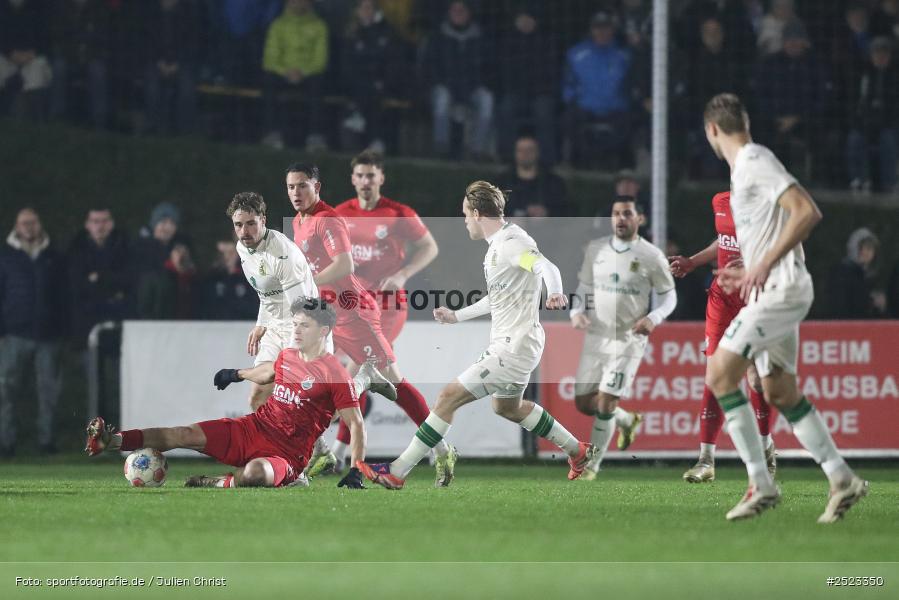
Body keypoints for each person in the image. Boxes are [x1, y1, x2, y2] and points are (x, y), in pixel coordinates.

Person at [357, 181, 597, 489]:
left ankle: (397, 471)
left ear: (477, 213)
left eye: (465, 215)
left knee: (447, 397)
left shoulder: (512, 243)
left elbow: (545, 267)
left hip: (514, 346)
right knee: (507, 407)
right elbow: (495, 299)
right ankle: (578, 451)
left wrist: (555, 292)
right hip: (518, 344)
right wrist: (456, 316)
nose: (465, 221)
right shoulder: (498, 246)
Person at [703, 93, 867, 522]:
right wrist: (749, 268)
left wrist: (763, 265)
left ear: (712, 130)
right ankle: (842, 478)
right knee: (779, 390)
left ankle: (761, 482)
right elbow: (776, 228)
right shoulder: (744, 169)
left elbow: (806, 212)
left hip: (782, 289)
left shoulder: (754, 161)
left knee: (719, 373)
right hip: (770, 289)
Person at [85, 298, 371, 489]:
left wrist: (356, 470)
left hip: (287, 455)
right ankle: (113, 441)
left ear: (323, 331)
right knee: (183, 433)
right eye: (294, 323)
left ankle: (217, 482)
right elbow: (268, 372)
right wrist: (235, 374)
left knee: (256, 473)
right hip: (252, 429)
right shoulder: (289, 355)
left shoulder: (335, 373)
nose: (296, 330)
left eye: (304, 325)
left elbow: (356, 424)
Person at [288, 163, 456, 485]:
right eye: (291, 187)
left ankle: (441, 450)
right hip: (329, 314)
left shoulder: (330, 218)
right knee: (315, 379)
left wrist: (306, 284)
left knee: (390, 383)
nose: (296, 192)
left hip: (358, 313)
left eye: (302, 186)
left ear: (317, 187)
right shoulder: (300, 221)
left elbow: (344, 265)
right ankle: (324, 452)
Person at [332, 151, 439, 469]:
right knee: (375, 377)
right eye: (360, 175)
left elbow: (430, 247)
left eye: (371, 175)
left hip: (389, 307)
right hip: (354, 307)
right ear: (353, 179)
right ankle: (437, 443)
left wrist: (403, 274)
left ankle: (337, 454)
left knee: (355, 370)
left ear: (381, 178)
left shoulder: (398, 213)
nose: (365, 181)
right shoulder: (339, 214)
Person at [668, 191, 776, 483]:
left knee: (756, 378)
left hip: (755, 295)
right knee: (715, 375)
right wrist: (693, 262)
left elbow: (782, 252)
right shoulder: (720, 201)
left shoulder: (770, 203)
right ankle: (706, 460)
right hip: (722, 296)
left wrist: (750, 268)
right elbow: (724, 241)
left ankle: (765, 446)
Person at [569, 196, 676, 480]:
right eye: (616, 213)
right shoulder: (596, 249)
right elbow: (584, 286)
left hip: (628, 338)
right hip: (596, 335)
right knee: (583, 403)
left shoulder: (652, 255)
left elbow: (669, 296)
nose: (620, 219)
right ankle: (627, 420)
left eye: (627, 213)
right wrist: (576, 312)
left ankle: (591, 466)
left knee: (606, 402)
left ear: (640, 218)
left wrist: (654, 318)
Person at [0, 208, 67, 456]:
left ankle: (46, 442)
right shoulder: (5, 256)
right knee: (6, 392)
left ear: (40, 224)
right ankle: (6, 443)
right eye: (24, 222)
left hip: (48, 336)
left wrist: (62, 330)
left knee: (48, 392)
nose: (29, 226)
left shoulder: (53, 256)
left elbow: (63, 296)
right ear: (16, 226)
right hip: (13, 335)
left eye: (33, 222)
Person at [420, 0, 495, 159]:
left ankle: (477, 150)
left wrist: (472, 88)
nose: (458, 14)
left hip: (472, 88)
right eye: (455, 10)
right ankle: (441, 148)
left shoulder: (481, 38)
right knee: (442, 98)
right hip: (445, 87)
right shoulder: (437, 37)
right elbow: (429, 69)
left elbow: (488, 70)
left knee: (486, 99)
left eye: (462, 10)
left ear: (469, 13)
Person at [562, 10, 634, 169]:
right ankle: (579, 165)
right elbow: (568, 83)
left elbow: (631, 83)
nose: (602, 32)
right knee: (570, 119)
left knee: (627, 122)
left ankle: (619, 166)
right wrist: (572, 99)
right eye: (598, 28)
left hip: (616, 108)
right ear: (591, 29)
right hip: (585, 107)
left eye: (606, 28)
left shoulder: (624, 54)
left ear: (612, 30)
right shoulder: (576, 54)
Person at [260, 0, 329, 151]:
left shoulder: (319, 26)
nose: (298, 3)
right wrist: (285, 72)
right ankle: (272, 133)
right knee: (268, 82)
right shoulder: (278, 25)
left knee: (318, 83)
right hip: (283, 74)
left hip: (308, 74)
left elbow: (320, 60)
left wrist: (302, 72)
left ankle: (315, 136)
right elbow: (270, 59)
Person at [339, 0, 404, 153]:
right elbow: (346, 63)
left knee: (373, 91)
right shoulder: (351, 33)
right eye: (363, 8)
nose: (366, 11)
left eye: (369, 8)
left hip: (381, 82)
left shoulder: (387, 32)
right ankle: (374, 138)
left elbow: (393, 61)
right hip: (357, 84)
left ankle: (363, 125)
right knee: (364, 88)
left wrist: (383, 80)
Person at [67, 208, 133, 346]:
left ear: (111, 224)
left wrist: (98, 278)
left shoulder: (126, 248)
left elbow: (128, 281)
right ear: (87, 225)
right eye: (95, 221)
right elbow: (75, 286)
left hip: (117, 323)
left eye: (104, 221)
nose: (100, 226)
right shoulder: (75, 250)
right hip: (85, 327)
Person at [846, 36, 899, 193]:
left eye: (884, 53)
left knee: (888, 140)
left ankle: (890, 182)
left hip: (889, 124)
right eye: (877, 53)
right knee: (855, 139)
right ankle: (859, 179)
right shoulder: (863, 75)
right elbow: (857, 104)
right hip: (865, 123)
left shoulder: (895, 76)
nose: (880, 57)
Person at [496, 135, 569, 218]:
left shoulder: (554, 183)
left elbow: (566, 211)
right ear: (515, 153)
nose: (525, 154)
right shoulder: (502, 183)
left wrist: (547, 212)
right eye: (521, 150)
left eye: (530, 150)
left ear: (537, 152)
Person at [826, 227, 885, 318]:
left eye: (870, 248)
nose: (865, 252)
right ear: (854, 248)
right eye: (861, 248)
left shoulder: (871, 276)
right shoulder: (842, 273)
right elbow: (840, 305)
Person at [201, 238, 259, 321]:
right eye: (223, 253)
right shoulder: (212, 279)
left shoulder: (248, 277)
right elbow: (206, 307)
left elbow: (254, 307)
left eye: (230, 253)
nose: (227, 257)